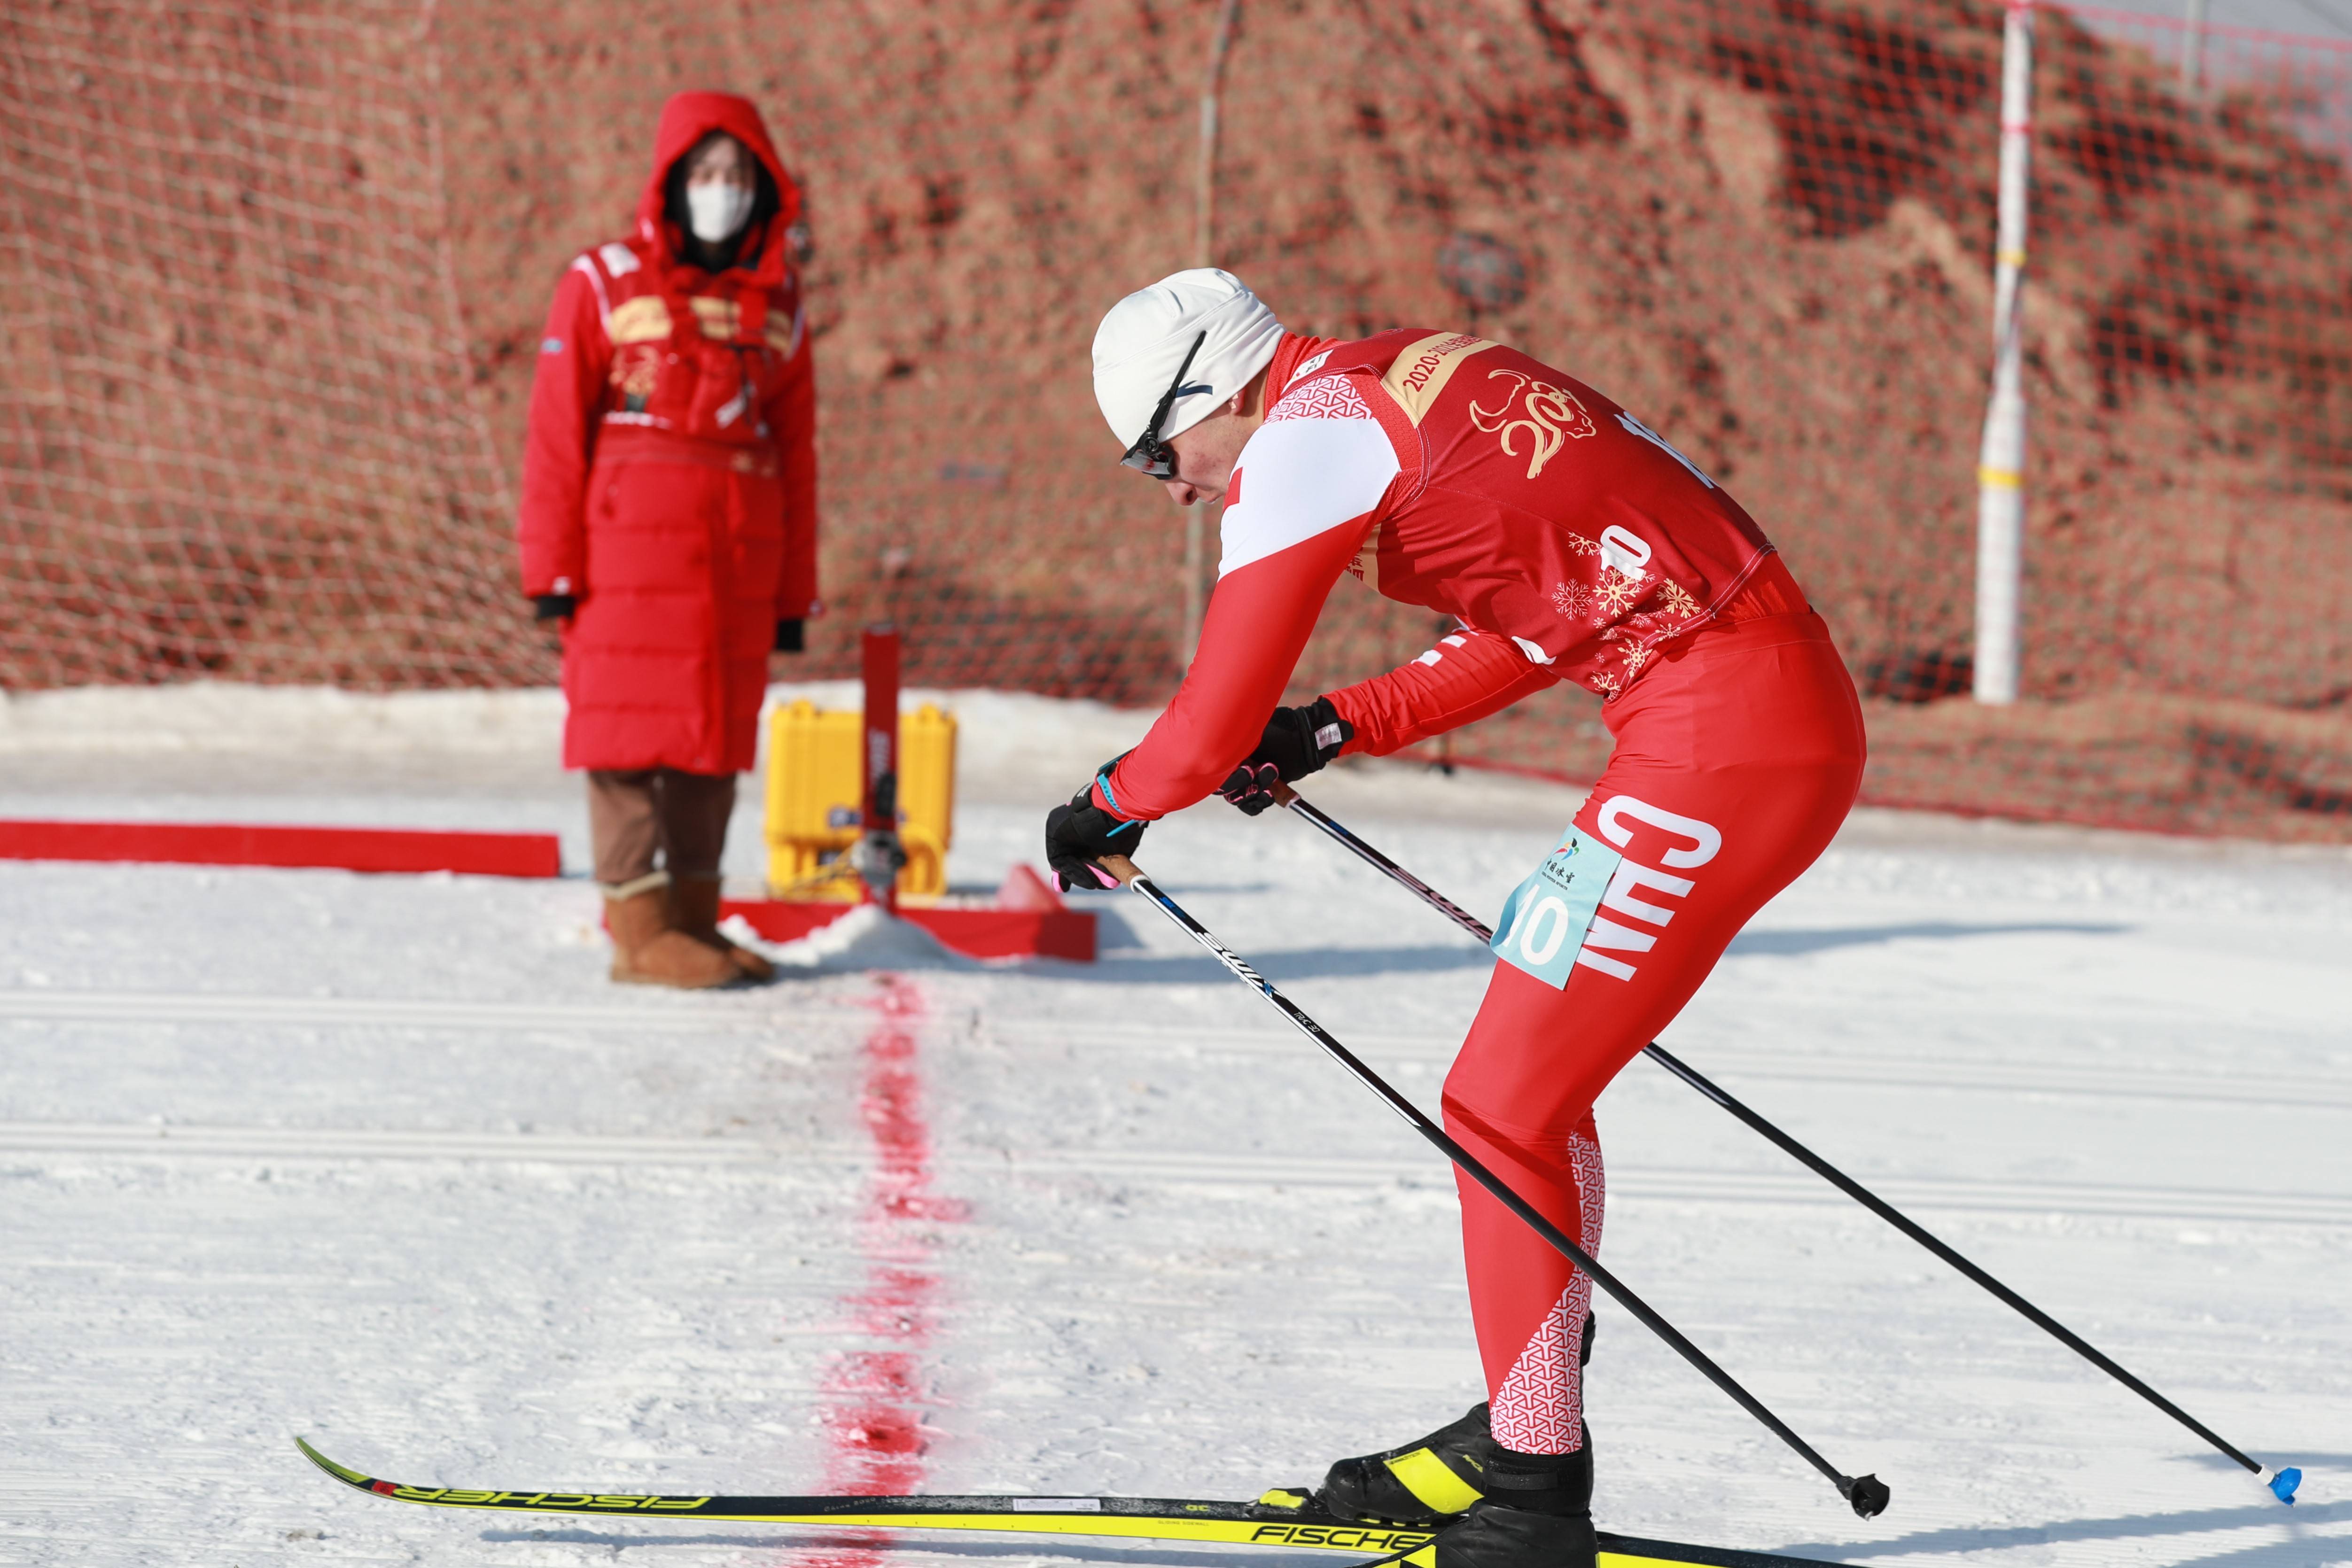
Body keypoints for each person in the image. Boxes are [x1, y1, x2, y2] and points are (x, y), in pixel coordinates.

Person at [1045, 270, 1866, 1568]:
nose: (1172, 485)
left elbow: (1199, 728)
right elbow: (1547, 617)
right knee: (1526, 1090)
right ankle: (1521, 1425)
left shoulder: (1304, 446)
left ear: (1211, 389)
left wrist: (1106, 803)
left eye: (1159, 451)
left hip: (1722, 737)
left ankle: (1534, 1492)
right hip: (1737, 709)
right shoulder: (1401, 374)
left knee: (1499, 1101)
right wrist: (1331, 725)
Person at [517, 92, 818, 989]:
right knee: (623, 745)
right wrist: (551, 567)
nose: (720, 192)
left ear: (764, 193)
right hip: (623, 562)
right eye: (703, 175)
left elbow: (797, 451)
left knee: (713, 742)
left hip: (737, 563)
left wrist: (794, 591)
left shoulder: (779, 302)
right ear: (669, 183)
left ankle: (692, 919)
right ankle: (639, 934)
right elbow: (555, 431)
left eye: (736, 177)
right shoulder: (602, 280)